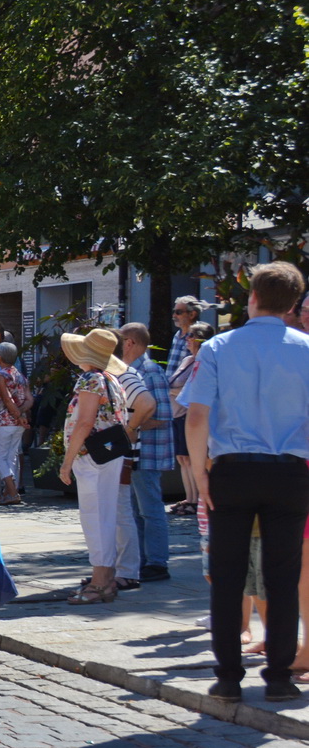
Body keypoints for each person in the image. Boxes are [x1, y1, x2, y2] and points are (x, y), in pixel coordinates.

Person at [184, 261, 309, 702]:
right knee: (283, 573)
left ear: (251, 297)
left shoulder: (218, 347)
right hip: (290, 471)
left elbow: (197, 416)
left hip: (232, 467)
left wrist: (200, 471)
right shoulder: (307, 349)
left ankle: (228, 678)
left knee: (228, 573)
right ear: (294, 304)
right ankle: (277, 678)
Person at [58, 328, 129, 605]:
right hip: (109, 454)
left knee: (94, 516)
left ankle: (100, 581)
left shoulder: (90, 379)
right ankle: (106, 577)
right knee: (106, 514)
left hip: (90, 455)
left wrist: (67, 462)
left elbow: (84, 422)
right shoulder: (111, 379)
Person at [114, 323, 172, 583]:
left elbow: (163, 415)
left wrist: (129, 426)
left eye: (119, 342)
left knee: (150, 509)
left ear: (130, 343)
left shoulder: (149, 371)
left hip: (148, 452)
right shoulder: (131, 371)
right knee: (135, 511)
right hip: (134, 452)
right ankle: (140, 562)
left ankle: (157, 563)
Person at [168, 319, 212, 515]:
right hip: (177, 414)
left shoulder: (205, 362)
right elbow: (174, 385)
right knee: (182, 459)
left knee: (194, 458)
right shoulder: (187, 360)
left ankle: (197, 500)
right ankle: (190, 497)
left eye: (191, 336)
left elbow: (191, 392)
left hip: (189, 414)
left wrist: (174, 392)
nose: (186, 339)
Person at [0, 342, 31, 506]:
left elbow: (6, 398)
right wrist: (21, 414)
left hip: (3, 421)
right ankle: (9, 492)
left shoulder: (0, 375)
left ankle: (12, 492)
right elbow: (29, 399)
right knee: (11, 457)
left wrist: (16, 414)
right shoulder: (20, 375)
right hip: (19, 423)